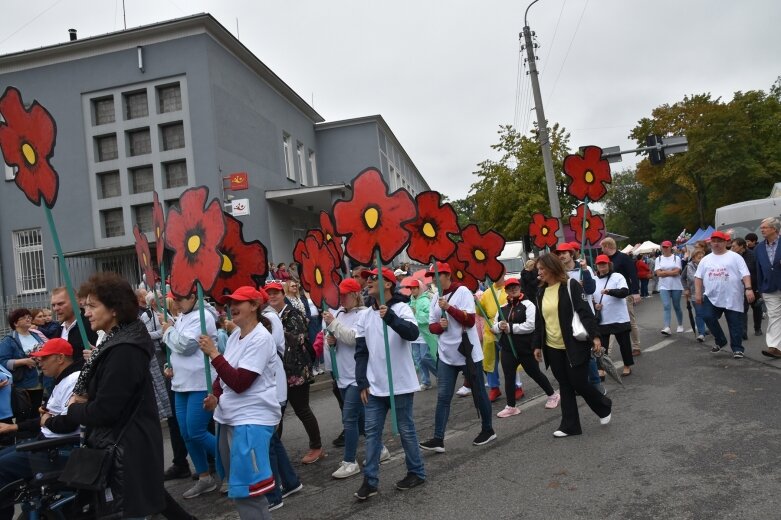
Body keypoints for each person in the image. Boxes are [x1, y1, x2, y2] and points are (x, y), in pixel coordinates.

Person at [65, 272, 166, 518]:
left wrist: (74, 408)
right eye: (85, 306)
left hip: (126, 453)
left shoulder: (124, 350)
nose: (86, 312)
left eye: (92, 306)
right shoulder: (117, 341)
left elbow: (106, 410)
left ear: (114, 309)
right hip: (124, 447)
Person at [198, 286, 280, 519]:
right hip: (229, 417)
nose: (231, 306)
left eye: (238, 302)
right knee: (239, 489)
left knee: (249, 493)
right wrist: (215, 396)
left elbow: (241, 382)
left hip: (251, 420)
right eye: (229, 302)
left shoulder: (261, 338)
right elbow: (224, 379)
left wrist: (214, 354)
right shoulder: (235, 335)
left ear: (254, 305)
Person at [354, 267, 425, 500]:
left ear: (388, 284)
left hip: (400, 383)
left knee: (406, 430)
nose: (368, 282)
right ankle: (370, 480)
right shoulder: (364, 315)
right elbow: (361, 351)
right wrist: (362, 381)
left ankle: (416, 471)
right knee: (372, 433)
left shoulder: (401, 308)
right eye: (368, 278)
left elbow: (412, 333)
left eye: (373, 278)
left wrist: (391, 318)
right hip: (375, 386)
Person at [532, 253, 612, 437]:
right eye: (538, 270)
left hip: (574, 344)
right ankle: (570, 426)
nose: (540, 273)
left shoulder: (571, 285)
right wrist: (537, 345)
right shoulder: (540, 292)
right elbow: (540, 320)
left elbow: (585, 313)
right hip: (552, 346)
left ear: (552, 268)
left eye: (542, 269)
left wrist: (595, 337)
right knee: (565, 385)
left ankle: (604, 406)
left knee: (579, 382)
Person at [420, 262, 496, 454]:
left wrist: (450, 308)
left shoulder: (462, 291)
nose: (434, 280)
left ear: (447, 275)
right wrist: (441, 326)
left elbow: (470, 321)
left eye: (437, 275)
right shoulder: (435, 297)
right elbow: (431, 326)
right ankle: (438, 438)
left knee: (478, 392)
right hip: (446, 355)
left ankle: (488, 429)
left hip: (468, 353)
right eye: (431, 277)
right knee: (443, 397)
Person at [0, 338, 80, 520]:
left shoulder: (73, 380)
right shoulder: (63, 380)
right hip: (47, 443)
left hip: (57, 449)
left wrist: (47, 420)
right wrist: (13, 426)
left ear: (60, 358)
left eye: (44, 358)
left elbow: (68, 422)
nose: (39, 362)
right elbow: (47, 418)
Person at [162, 292, 219, 499]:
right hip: (181, 384)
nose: (176, 303)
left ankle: (232, 467)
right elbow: (177, 351)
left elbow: (185, 346)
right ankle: (205, 478)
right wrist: (169, 365)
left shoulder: (204, 316)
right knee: (186, 434)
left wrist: (167, 330)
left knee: (196, 431)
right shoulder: (183, 316)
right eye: (174, 300)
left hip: (200, 382)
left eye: (180, 299)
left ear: (194, 296)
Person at [323, 278, 378, 480]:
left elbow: (354, 338)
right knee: (361, 417)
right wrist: (332, 340)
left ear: (355, 294)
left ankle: (349, 461)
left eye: (346, 294)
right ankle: (380, 449)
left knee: (349, 418)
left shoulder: (364, 315)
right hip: (343, 374)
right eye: (341, 294)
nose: (342, 298)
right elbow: (338, 340)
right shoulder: (337, 314)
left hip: (358, 375)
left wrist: (334, 325)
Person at [265, 281, 323, 464]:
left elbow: (298, 339)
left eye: (276, 293)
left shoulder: (291, 313)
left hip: (296, 369)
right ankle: (273, 451)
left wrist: (275, 331)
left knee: (302, 409)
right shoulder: (268, 316)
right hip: (279, 371)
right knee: (277, 413)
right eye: (269, 293)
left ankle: (316, 446)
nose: (273, 296)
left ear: (283, 295)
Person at [491, 277, 559, 418]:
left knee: (534, 373)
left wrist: (509, 327)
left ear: (520, 287)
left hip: (525, 348)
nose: (513, 289)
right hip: (508, 348)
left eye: (515, 286)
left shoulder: (528, 305)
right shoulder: (502, 307)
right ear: (506, 291)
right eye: (510, 288)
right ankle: (511, 406)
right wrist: (499, 326)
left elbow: (530, 326)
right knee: (508, 376)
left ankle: (553, 395)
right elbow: (493, 327)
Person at [694, 230, 754, 359]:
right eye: (713, 241)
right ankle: (721, 340)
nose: (716, 244)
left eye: (719, 241)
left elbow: (745, 274)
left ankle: (737, 349)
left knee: (734, 323)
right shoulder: (705, 259)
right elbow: (698, 278)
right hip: (711, 296)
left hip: (732, 295)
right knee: (707, 316)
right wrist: (698, 293)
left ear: (726, 242)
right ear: (710, 244)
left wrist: (748, 288)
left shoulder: (735, 257)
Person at [0, 308, 45, 418]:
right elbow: (3, 362)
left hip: (41, 380)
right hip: (24, 384)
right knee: (25, 413)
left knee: (37, 411)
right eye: (24, 317)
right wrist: (24, 361)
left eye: (29, 317)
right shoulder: (9, 340)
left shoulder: (36, 335)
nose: (28, 319)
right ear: (15, 323)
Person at [593, 255, 634, 376]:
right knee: (601, 347)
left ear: (609, 264)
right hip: (603, 319)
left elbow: (624, 292)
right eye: (600, 264)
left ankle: (627, 365)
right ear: (596, 266)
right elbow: (590, 298)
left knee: (624, 344)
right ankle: (601, 369)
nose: (602, 266)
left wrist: (610, 291)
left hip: (619, 317)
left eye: (604, 264)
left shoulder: (618, 277)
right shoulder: (594, 280)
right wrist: (595, 305)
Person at [600, 237, 642, 356]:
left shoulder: (623, 257)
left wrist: (635, 291)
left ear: (607, 246)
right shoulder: (605, 260)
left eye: (602, 247)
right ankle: (607, 352)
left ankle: (636, 346)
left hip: (625, 294)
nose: (601, 250)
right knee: (610, 322)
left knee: (630, 321)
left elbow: (633, 274)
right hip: (609, 295)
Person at [402, 278, 438, 390]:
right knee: (417, 359)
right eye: (411, 288)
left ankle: (440, 374)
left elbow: (429, 317)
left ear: (419, 288)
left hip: (424, 334)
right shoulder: (410, 301)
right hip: (414, 335)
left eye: (414, 288)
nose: (412, 290)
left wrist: (416, 313)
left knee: (425, 357)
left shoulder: (426, 300)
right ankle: (425, 381)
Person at [51, 286, 99, 367]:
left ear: (76, 301)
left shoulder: (93, 326)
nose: (55, 308)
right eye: (53, 305)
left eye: (60, 304)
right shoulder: (57, 331)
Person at [756, 218, 781, 358]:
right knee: (774, 316)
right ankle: (774, 347)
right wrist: (760, 289)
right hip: (769, 288)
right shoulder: (759, 248)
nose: (762, 229)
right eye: (762, 227)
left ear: (774, 229)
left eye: (765, 227)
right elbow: (758, 269)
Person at [479, 277, 506, 402]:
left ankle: (517, 386)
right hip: (490, 330)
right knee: (489, 361)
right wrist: (477, 302)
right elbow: (480, 311)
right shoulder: (486, 293)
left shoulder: (509, 289)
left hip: (506, 329)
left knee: (510, 361)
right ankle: (494, 388)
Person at [731, 237, 762, 339]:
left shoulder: (752, 255)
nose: (732, 248)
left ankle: (757, 328)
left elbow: (758, 270)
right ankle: (743, 331)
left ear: (741, 246)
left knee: (756, 307)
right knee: (743, 309)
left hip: (754, 286)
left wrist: (758, 288)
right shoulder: (733, 257)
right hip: (741, 287)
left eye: (734, 246)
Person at [655, 240, 685, 336]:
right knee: (666, 306)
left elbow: (677, 272)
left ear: (670, 247)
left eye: (667, 247)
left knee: (676, 306)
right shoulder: (658, 259)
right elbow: (658, 273)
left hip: (676, 285)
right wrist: (670, 272)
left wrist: (664, 272)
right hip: (663, 286)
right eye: (663, 247)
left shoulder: (676, 258)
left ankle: (680, 324)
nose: (665, 248)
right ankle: (667, 327)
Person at [682, 249, 708, 342]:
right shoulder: (688, 266)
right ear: (693, 259)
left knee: (709, 314)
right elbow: (682, 278)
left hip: (708, 293)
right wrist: (686, 288)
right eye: (699, 257)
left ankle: (709, 327)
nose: (701, 259)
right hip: (694, 294)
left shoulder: (708, 265)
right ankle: (701, 333)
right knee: (699, 313)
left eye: (702, 257)